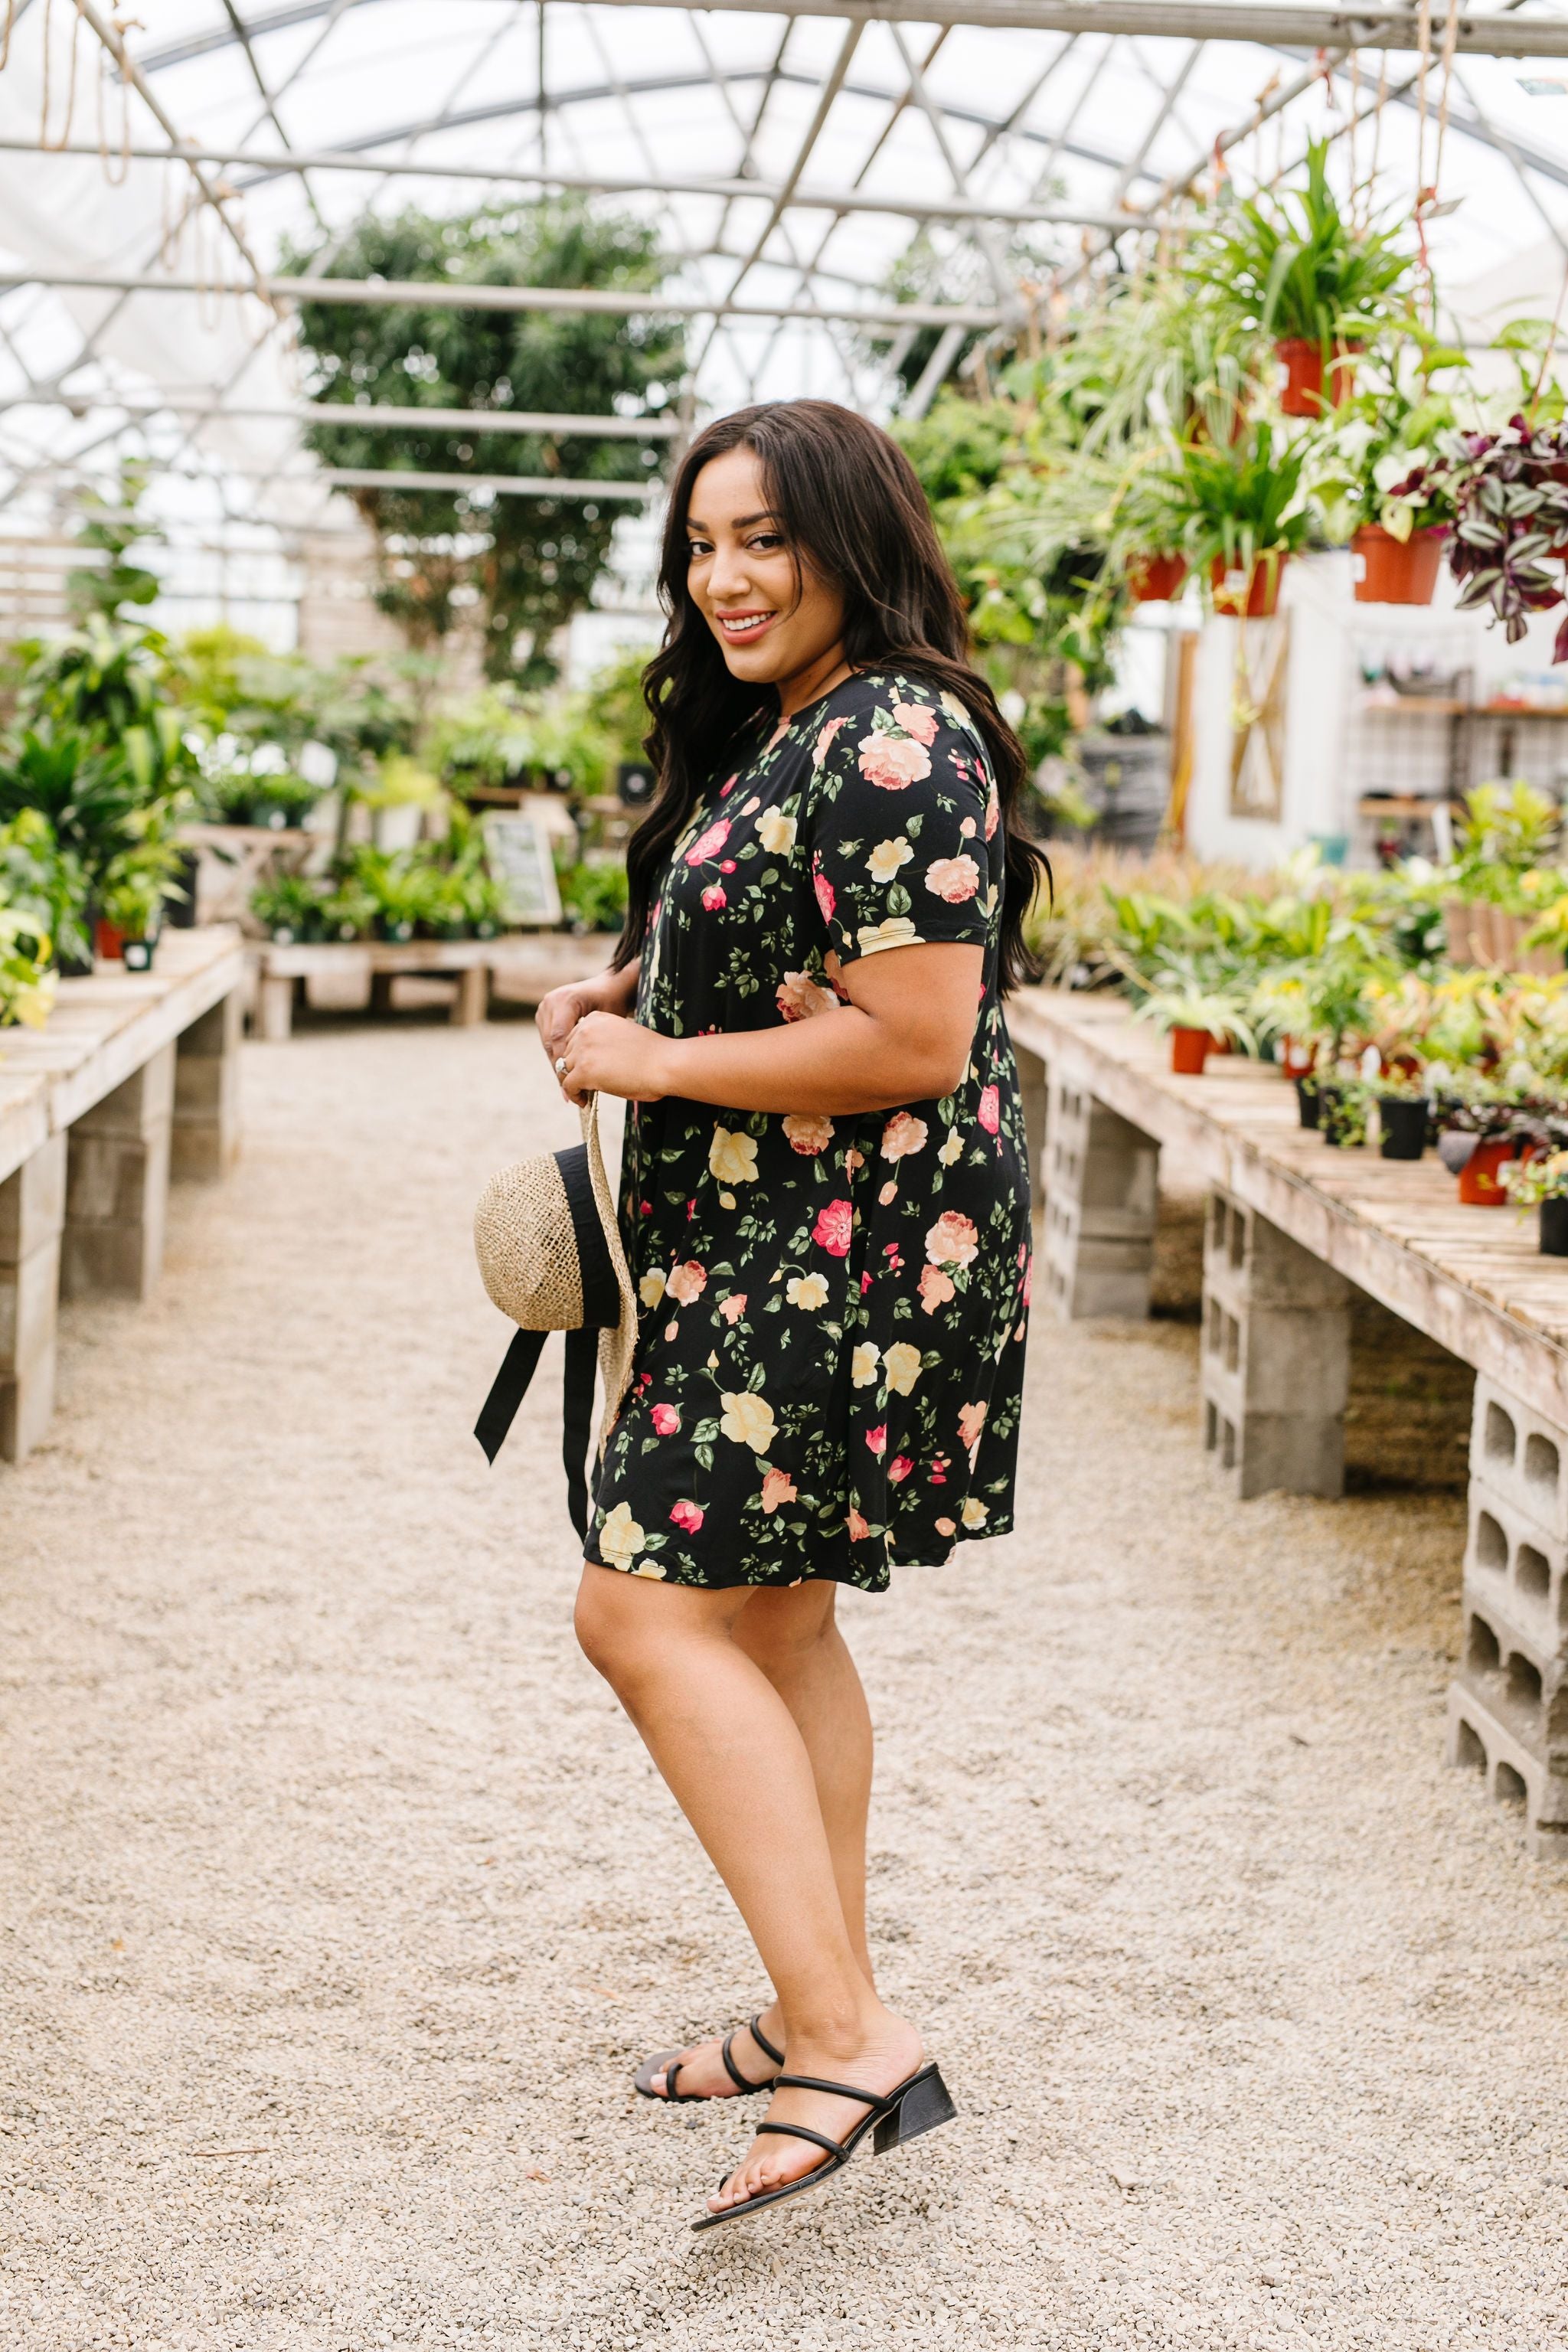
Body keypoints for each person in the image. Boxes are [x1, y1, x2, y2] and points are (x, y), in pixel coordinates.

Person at [536, 397, 1047, 2229]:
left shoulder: (897, 729)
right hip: (787, 1241)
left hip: (840, 1251)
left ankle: (849, 2032)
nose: (727, 575)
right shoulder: (803, 727)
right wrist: (630, 982)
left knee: (640, 1610)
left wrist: (659, 1055)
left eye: (764, 537)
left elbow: (911, 1032)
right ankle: (803, 2004)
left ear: (851, 539)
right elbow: (798, 948)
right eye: (701, 543)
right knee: (773, 1619)